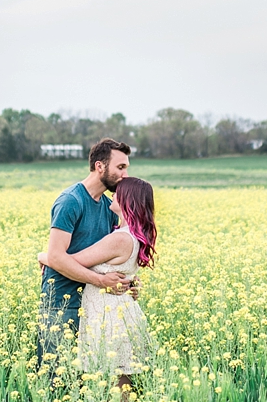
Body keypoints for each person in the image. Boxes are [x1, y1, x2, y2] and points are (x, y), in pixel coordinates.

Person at [39, 177, 157, 396]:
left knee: (113, 384)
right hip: (119, 310)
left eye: (118, 193)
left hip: (109, 314)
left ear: (127, 201)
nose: (113, 194)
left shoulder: (119, 239)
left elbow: (72, 260)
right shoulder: (132, 234)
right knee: (118, 383)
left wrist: (43, 256)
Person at [37, 138, 134, 367]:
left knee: (84, 383)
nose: (125, 175)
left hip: (94, 307)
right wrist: (101, 281)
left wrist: (128, 283)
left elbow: (109, 258)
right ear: (100, 166)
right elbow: (57, 257)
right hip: (62, 305)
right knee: (57, 382)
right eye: (120, 167)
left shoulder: (109, 208)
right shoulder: (71, 201)